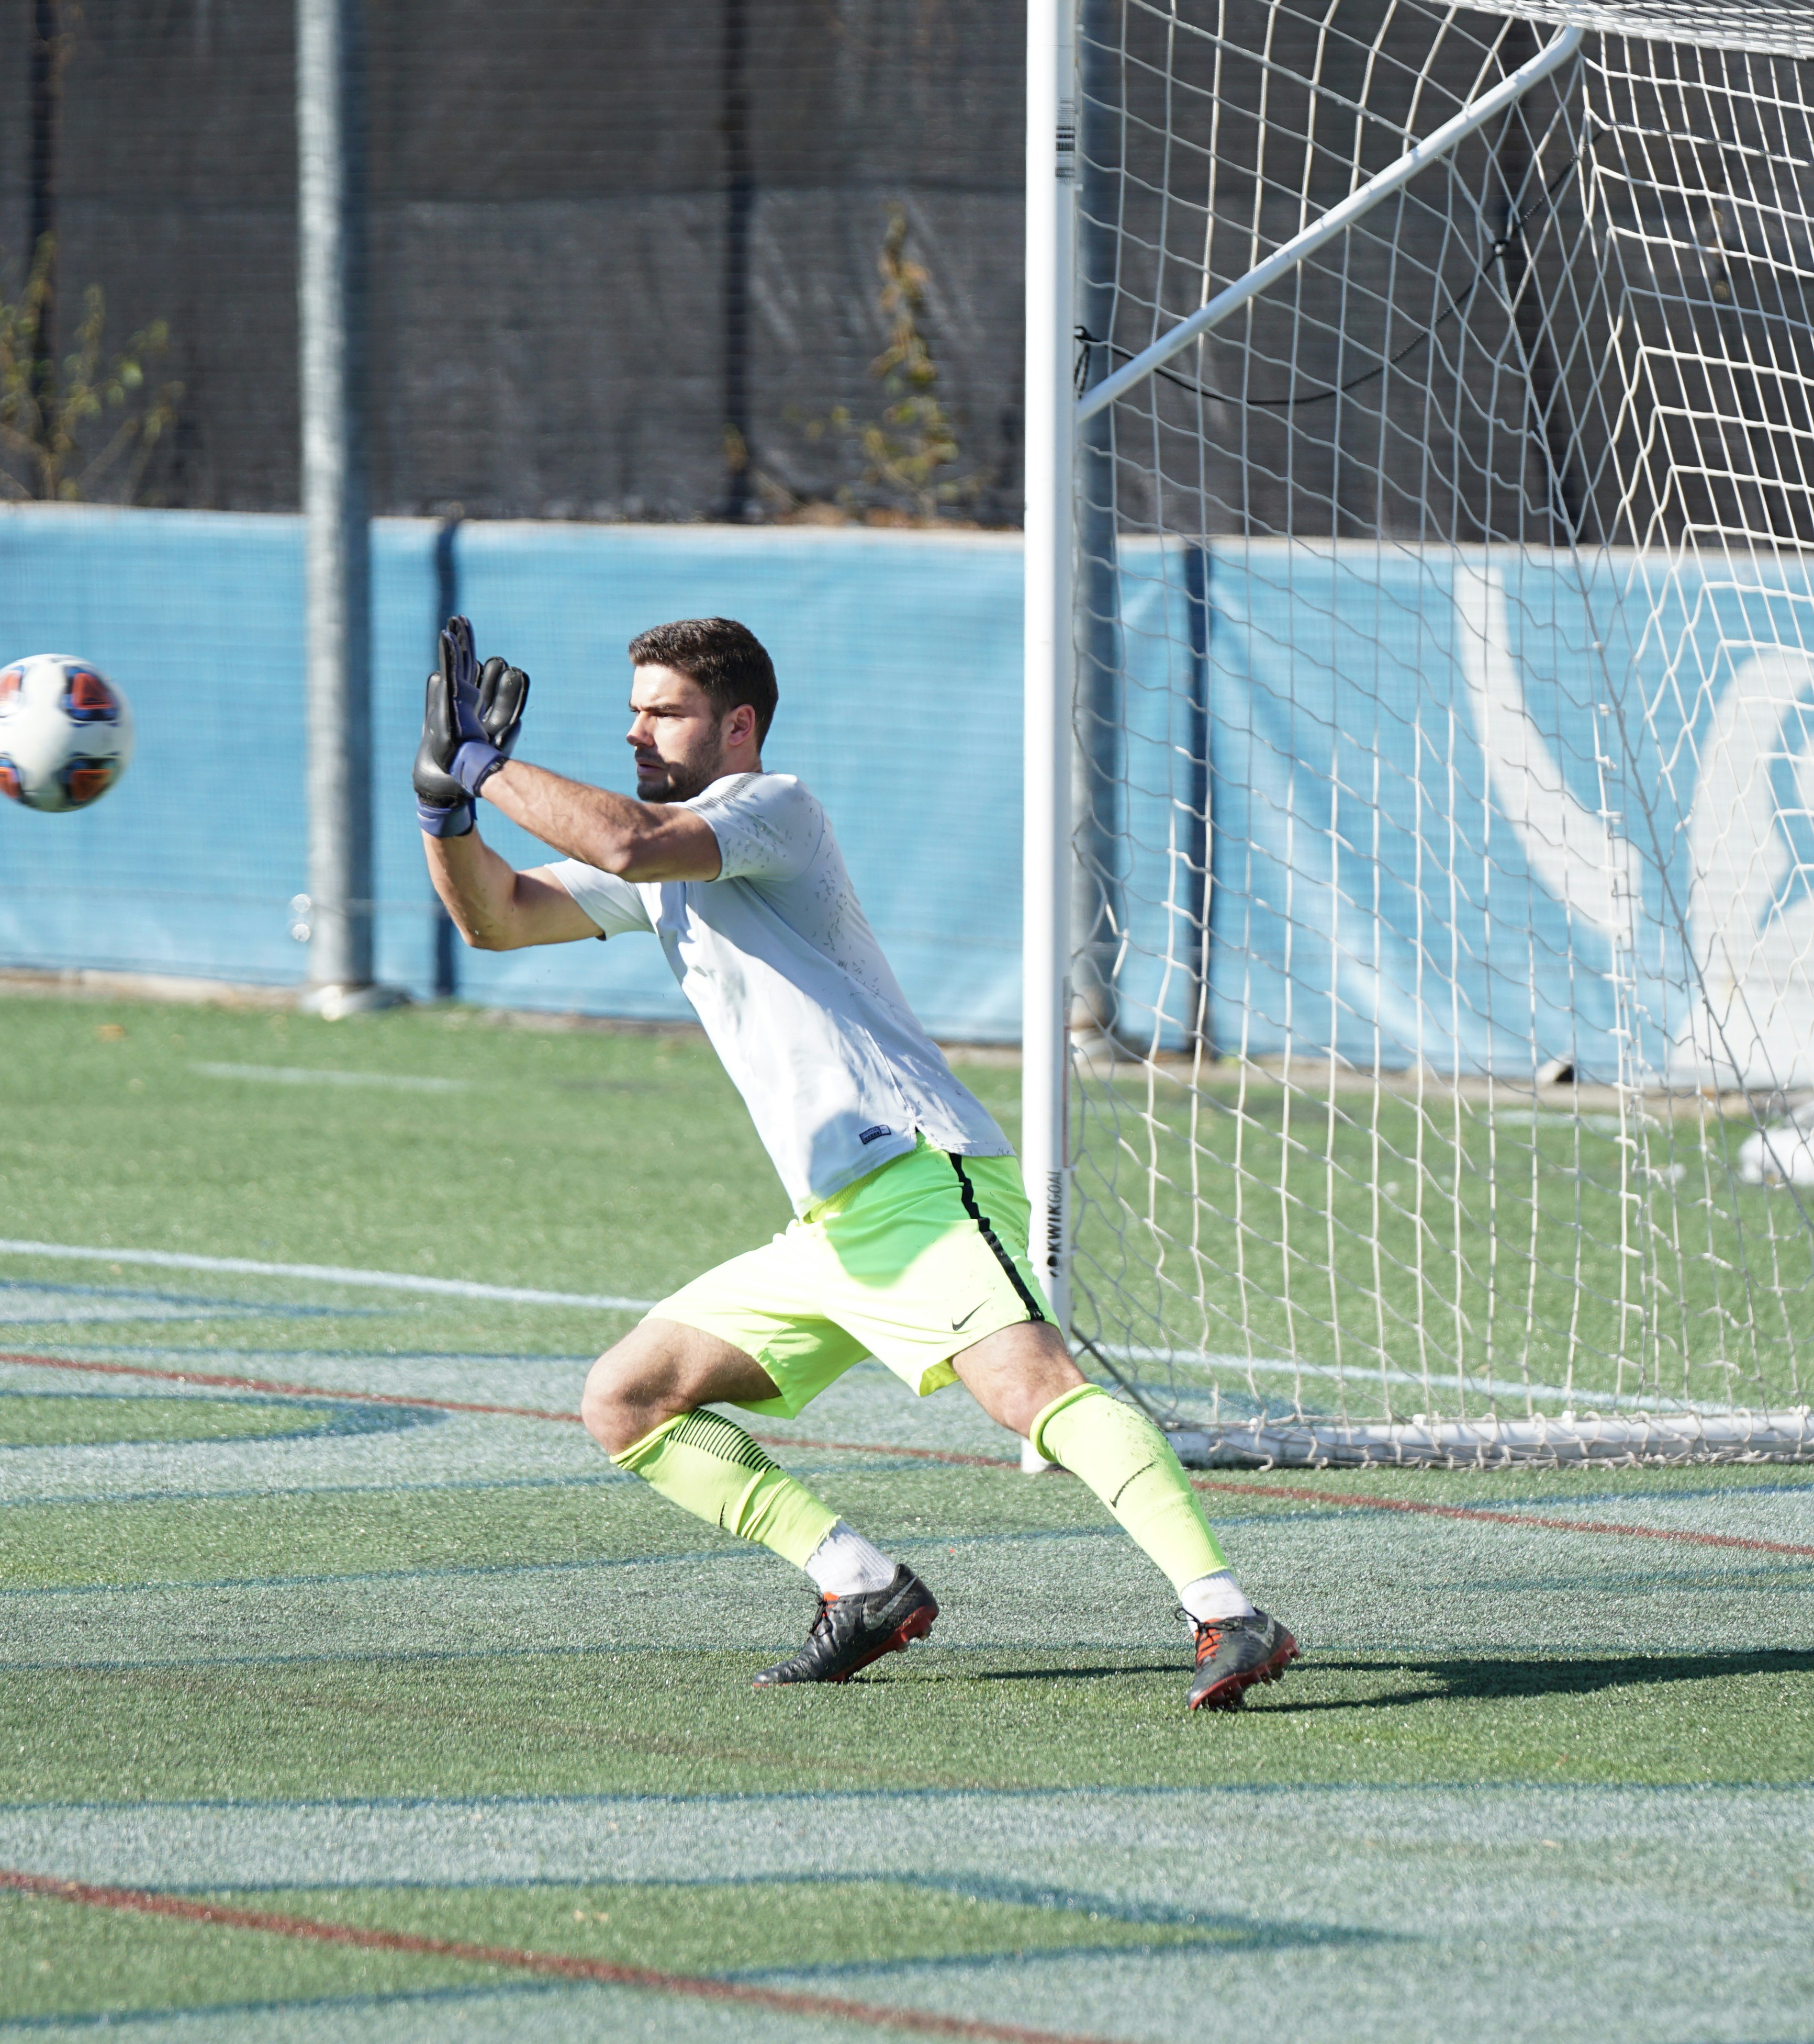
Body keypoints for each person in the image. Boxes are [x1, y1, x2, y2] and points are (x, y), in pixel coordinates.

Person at [412, 613, 1298, 1710]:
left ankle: (1226, 1610)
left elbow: (630, 839)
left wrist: (485, 765)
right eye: (633, 708)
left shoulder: (769, 808)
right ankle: (861, 1584)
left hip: (923, 1175)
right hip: (831, 1226)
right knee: (628, 1399)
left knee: (1034, 1392)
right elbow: (497, 918)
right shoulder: (658, 851)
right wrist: (443, 809)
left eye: (666, 710)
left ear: (738, 724)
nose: (637, 728)